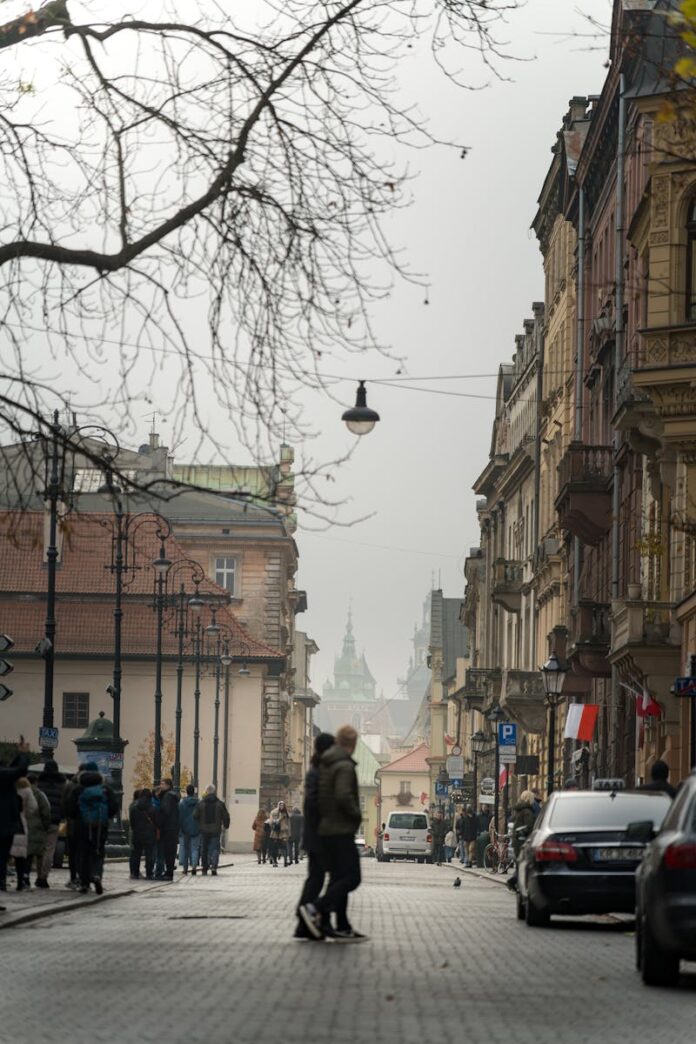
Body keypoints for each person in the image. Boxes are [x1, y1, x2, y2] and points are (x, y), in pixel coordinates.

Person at [299, 724, 366, 942]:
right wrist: (357, 815)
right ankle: (314, 911)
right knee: (350, 877)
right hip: (337, 829)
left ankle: (337, 924)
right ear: (352, 743)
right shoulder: (342, 766)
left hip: (326, 830)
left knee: (336, 878)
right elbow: (343, 797)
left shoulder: (325, 765)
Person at [295, 732, 334, 940]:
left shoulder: (317, 771)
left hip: (316, 835)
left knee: (316, 879)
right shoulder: (318, 772)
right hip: (319, 836)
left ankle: (304, 923)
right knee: (318, 880)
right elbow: (314, 804)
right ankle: (306, 915)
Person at [67, 761, 118, 895]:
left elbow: (70, 809)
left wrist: (78, 818)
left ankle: (84, 883)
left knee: (83, 853)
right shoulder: (105, 789)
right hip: (100, 826)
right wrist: (105, 818)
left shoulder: (78, 789)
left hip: (82, 826)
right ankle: (96, 875)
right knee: (98, 851)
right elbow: (113, 807)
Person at [0, 740, 30, 899]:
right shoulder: (4, 778)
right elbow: (18, 771)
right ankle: (1, 885)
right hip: (5, 824)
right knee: (2, 857)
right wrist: (23, 753)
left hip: (6, 824)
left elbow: (13, 770)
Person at [35, 759, 66, 888]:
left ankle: (38, 875)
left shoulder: (39, 782)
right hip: (54, 821)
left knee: (39, 849)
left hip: (40, 820)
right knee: (49, 849)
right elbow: (64, 802)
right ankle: (44, 877)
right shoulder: (62, 783)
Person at [194, 785, 230, 875]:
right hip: (216, 830)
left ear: (206, 792)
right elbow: (226, 816)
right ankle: (214, 866)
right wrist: (226, 825)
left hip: (204, 830)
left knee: (204, 849)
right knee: (215, 848)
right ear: (214, 792)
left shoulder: (201, 803)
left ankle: (204, 868)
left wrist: (199, 823)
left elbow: (195, 815)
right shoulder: (220, 804)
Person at [61, 763, 87, 890]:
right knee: (84, 852)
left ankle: (73, 877)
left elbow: (64, 804)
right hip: (88, 825)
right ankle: (83, 878)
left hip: (72, 824)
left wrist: (68, 817)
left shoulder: (69, 785)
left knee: (73, 852)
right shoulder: (91, 785)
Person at [507, 790, 536, 892]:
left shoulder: (518, 810)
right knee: (523, 863)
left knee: (520, 863)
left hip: (517, 840)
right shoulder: (527, 812)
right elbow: (529, 826)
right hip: (523, 841)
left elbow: (512, 822)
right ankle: (513, 881)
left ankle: (517, 882)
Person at [129, 788, 158, 880]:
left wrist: (136, 829)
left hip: (137, 833)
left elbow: (132, 822)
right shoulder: (152, 808)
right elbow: (156, 822)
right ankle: (149, 874)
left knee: (136, 854)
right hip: (149, 835)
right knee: (149, 855)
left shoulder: (134, 808)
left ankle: (135, 873)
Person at [156, 778, 180, 881]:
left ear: (168, 785)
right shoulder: (171, 796)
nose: (161, 785)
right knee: (170, 851)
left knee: (168, 851)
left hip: (168, 828)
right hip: (173, 827)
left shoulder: (167, 797)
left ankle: (168, 873)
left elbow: (165, 812)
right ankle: (169, 871)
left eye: (163, 784)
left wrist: (159, 823)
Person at [178, 784, 200, 875]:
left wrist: (180, 828)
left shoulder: (182, 803)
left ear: (186, 792)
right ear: (193, 792)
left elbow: (179, 816)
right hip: (196, 828)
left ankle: (185, 868)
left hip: (185, 829)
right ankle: (194, 866)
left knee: (186, 849)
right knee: (195, 848)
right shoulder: (198, 802)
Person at [267, 801, 291, 867]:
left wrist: (289, 834)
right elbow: (271, 822)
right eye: (281, 805)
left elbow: (289, 824)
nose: (281, 806)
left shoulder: (286, 813)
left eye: (282, 805)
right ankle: (276, 862)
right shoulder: (275, 812)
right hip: (276, 833)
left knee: (283, 847)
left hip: (282, 833)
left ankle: (285, 861)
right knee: (276, 848)